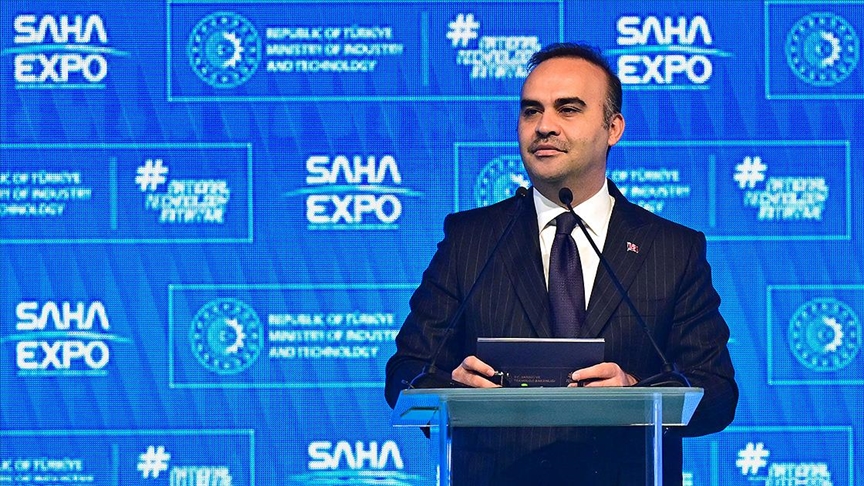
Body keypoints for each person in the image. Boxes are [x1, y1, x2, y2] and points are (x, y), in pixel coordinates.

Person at [385, 43, 738, 485]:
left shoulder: (671, 249)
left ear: (613, 128)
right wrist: (452, 390)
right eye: (531, 111)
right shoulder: (470, 240)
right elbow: (405, 372)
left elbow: (716, 392)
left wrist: (634, 392)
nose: (544, 126)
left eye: (567, 109)